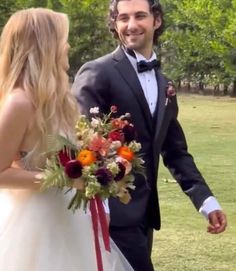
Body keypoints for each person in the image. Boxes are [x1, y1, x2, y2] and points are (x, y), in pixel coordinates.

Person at [72, 0, 227, 270]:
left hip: (144, 217)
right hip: (108, 217)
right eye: (123, 18)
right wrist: (102, 210)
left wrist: (206, 201)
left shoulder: (165, 84)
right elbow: (80, 146)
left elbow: (175, 152)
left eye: (140, 16)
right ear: (115, 24)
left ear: (156, 20)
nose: (131, 25)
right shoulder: (97, 72)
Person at [0, 8, 134, 271]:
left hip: (67, 217)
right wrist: (65, 178)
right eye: (63, 40)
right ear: (44, 46)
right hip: (35, 224)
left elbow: (59, 154)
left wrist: (97, 165)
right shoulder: (19, 102)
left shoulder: (55, 101)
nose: (68, 46)